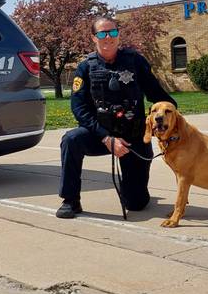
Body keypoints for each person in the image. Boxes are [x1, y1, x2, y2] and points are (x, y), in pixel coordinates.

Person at [57, 16, 176, 219]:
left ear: (118, 35)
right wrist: (105, 137)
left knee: (136, 204)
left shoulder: (135, 61)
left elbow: (157, 95)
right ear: (94, 38)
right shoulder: (85, 67)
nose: (108, 38)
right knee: (71, 140)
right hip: (99, 134)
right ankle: (70, 200)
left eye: (112, 32)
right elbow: (79, 108)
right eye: (102, 33)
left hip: (133, 135)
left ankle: (132, 189)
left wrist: (173, 116)